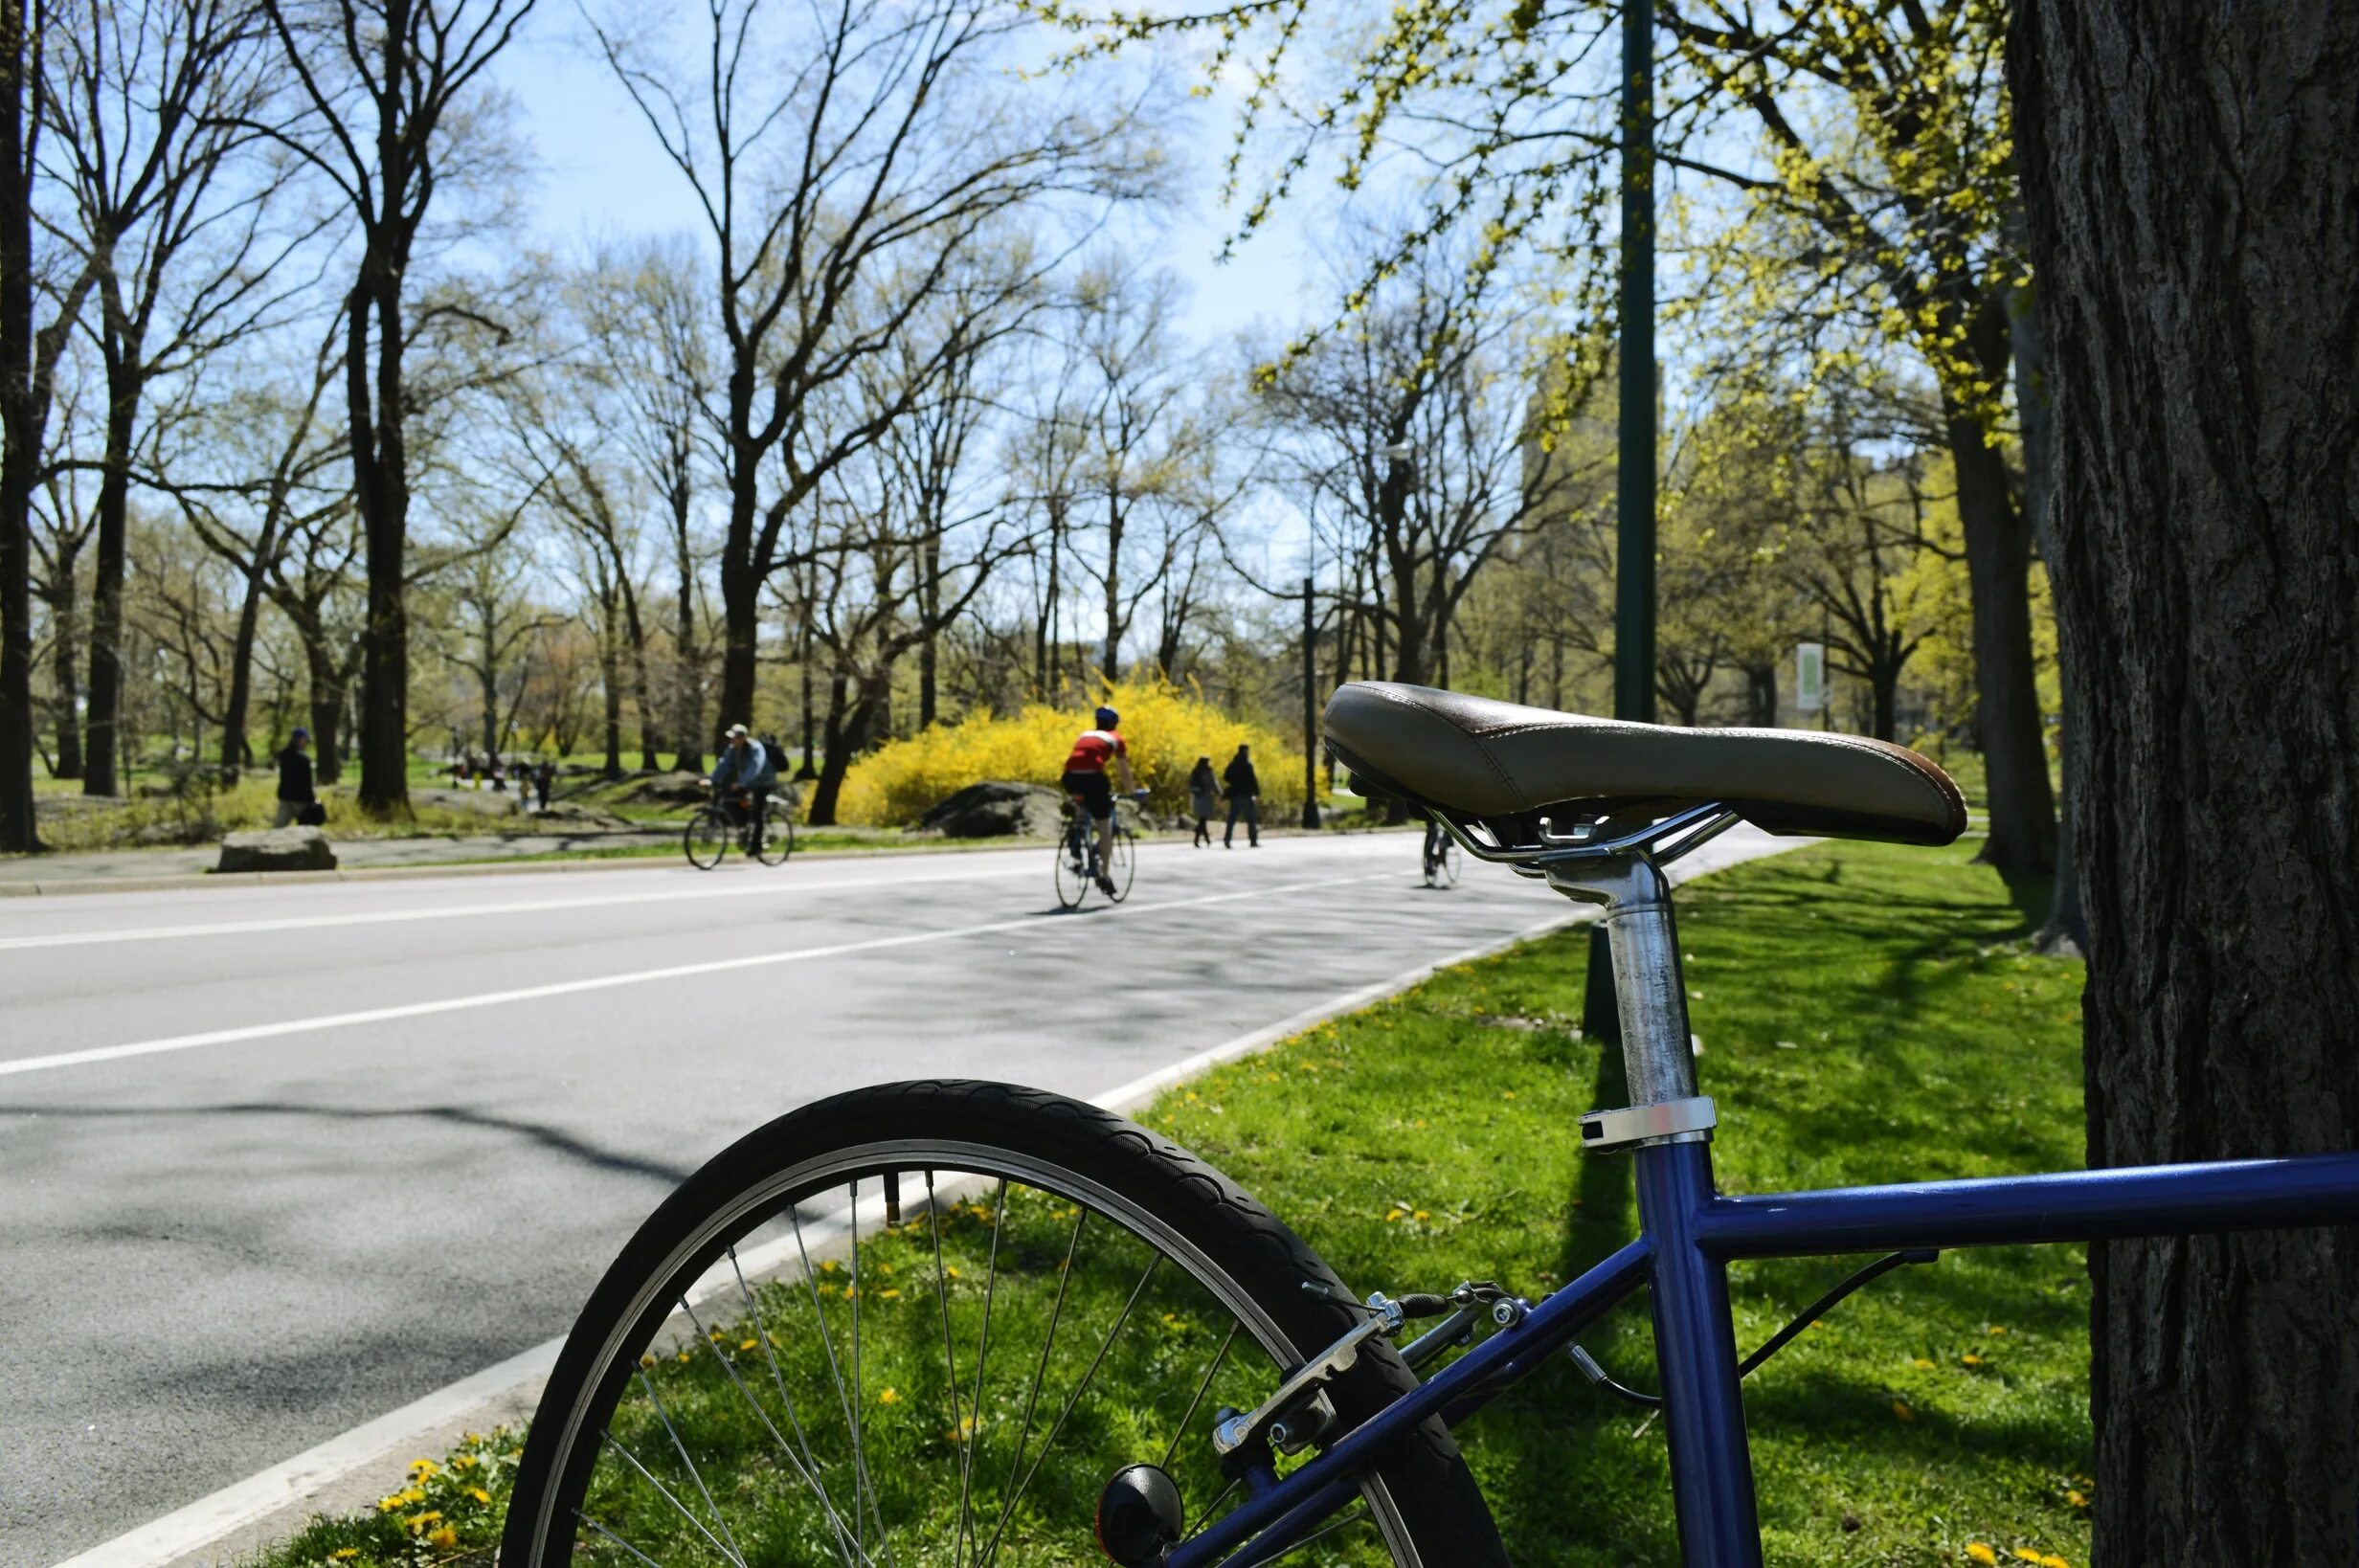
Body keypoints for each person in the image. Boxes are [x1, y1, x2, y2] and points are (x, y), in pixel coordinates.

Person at [1061, 705, 1142, 894]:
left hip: (1070, 778)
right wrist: (1132, 791)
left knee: (1083, 807)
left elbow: (1078, 758)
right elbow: (1124, 771)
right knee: (1104, 829)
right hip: (1093, 779)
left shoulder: (1085, 735)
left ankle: (1077, 836)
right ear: (1114, 723)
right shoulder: (1115, 738)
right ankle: (1104, 877)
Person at [707, 723, 778, 853]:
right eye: (731, 737)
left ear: (742, 738)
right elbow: (724, 765)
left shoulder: (755, 748)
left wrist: (741, 782)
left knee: (757, 811)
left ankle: (757, 845)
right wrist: (712, 779)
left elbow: (755, 767)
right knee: (731, 800)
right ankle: (744, 829)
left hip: (763, 782)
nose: (731, 740)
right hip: (747, 782)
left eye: (734, 738)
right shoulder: (732, 749)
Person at [274, 728, 317, 828]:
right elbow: (308, 781)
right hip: (301, 799)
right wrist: (312, 799)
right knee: (305, 828)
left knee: (279, 828)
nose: (306, 743)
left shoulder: (283, 755)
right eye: (305, 740)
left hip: (285, 796)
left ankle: (274, 843)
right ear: (300, 740)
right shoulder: (304, 759)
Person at [1223, 743, 1261, 848]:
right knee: (1251, 819)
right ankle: (1253, 841)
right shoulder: (1248, 764)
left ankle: (1227, 839)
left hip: (1236, 795)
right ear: (1245, 751)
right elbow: (1253, 780)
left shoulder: (1233, 764)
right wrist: (1257, 792)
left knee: (1232, 819)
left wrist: (1234, 782)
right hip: (1247, 795)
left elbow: (1225, 777)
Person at [1187, 754, 1218, 847]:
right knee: (1203, 819)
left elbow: (1190, 784)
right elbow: (1213, 783)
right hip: (1206, 796)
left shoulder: (1195, 771)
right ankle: (1200, 839)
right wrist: (1220, 793)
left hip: (1197, 797)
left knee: (1202, 819)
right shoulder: (1208, 771)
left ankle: (1204, 839)